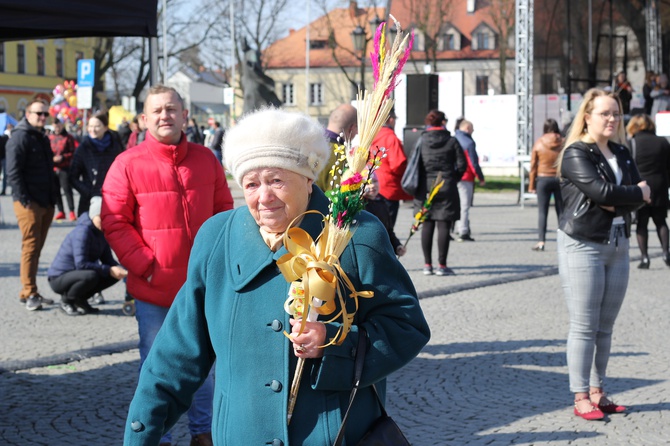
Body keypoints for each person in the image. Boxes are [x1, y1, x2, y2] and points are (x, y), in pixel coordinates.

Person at [122, 107, 429, 445]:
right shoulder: (216, 239)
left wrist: (332, 341)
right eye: (251, 184)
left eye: (276, 180)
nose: (263, 197)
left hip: (334, 436)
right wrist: (141, 435)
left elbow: (406, 327)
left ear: (308, 179)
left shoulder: (355, 233)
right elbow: (176, 355)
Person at [103, 85, 234, 446]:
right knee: (158, 370)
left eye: (172, 109)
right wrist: (147, 265)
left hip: (203, 287)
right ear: (144, 119)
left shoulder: (206, 159)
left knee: (205, 367)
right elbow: (114, 221)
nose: (165, 115)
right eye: (157, 110)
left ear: (184, 115)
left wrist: (218, 264)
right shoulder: (127, 164)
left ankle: (203, 434)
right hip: (154, 289)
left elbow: (225, 213)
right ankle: (156, 436)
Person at [556, 88, 650, 420]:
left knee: (605, 326)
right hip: (583, 242)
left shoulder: (623, 152)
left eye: (616, 113)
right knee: (584, 325)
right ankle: (580, 395)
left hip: (618, 242)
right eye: (604, 113)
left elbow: (639, 194)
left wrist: (622, 197)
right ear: (587, 116)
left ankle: (598, 391)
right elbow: (601, 192)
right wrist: (628, 195)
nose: (611, 119)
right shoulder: (576, 153)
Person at [6, 99, 58, 310]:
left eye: (46, 114)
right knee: (30, 247)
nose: (43, 117)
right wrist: (24, 200)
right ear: (27, 114)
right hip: (29, 203)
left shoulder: (41, 137)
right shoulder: (20, 137)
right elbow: (13, 172)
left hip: (45, 201)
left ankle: (31, 290)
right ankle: (29, 291)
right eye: (39, 114)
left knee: (36, 248)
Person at [47, 196, 127, 315]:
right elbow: (81, 264)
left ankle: (80, 299)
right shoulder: (83, 232)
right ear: (93, 215)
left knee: (113, 275)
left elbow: (108, 260)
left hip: (80, 273)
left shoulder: (101, 232)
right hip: (59, 277)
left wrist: (123, 270)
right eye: (101, 217)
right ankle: (67, 301)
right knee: (92, 275)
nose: (104, 221)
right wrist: (109, 269)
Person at [413, 110, 466, 276]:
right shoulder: (452, 141)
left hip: (425, 187)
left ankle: (427, 264)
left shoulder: (422, 140)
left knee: (427, 223)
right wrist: (453, 178)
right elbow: (462, 164)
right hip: (446, 184)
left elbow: (415, 163)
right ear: (443, 122)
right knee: (444, 224)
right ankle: (442, 265)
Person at [626, 114, 670, 268]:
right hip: (660, 185)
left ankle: (645, 258)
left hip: (641, 186)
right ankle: (666, 252)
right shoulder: (663, 142)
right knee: (661, 221)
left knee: (642, 224)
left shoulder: (632, 143)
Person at [69, 112, 124, 216]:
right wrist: (89, 192)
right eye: (90, 126)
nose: (93, 130)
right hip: (89, 202)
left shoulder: (115, 146)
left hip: (113, 199)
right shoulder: (83, 148)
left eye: (97, 126)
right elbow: (73, 177)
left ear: (106, 127)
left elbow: (123, 171)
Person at [370, 108, 412, 229]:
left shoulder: (371, 137)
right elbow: (397, 165)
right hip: (389, 188)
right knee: (387, 228)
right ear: (391, 120)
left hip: (371, 187)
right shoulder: (391, 138)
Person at [528, 118, 564, 251]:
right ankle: (563, 240)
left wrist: (531, 185)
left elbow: (533, 166)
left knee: (542, 212)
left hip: (543, 179)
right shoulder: (563, 142)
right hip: (559, 179)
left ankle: (541, 241)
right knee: (561, 211)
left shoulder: (539, 142)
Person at [454, 119, 485, 242]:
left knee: (457, 204)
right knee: (465, 205)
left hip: (454, 177)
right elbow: (473, 163)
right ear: (466, 128)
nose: (473, 130)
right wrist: (480, 177)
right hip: (465, 177)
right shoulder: (469, 142)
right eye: (472, 128)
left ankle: (457, 227)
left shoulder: (454, 138)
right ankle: (463, 231)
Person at [316, 104, 358, 191]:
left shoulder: (310, 143)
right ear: (351, 127)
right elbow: (336, 195)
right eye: (357, 128)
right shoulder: (341, 154)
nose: (357, 133)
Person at [364, 173, 406, 256]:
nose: (372, 186)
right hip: (368, 251)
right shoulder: (360, 205)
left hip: (382, 251)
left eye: (375, 181)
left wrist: (397, 246)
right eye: (368, 183)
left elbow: (388, 231)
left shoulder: (382, 202)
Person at [49, 118, 77, 221]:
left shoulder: (68, 137)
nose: (57, 128)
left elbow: (72, 152)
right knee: (56, 191)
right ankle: (61, 211)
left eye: (58, 126)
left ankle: (72, 211)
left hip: (64, 168)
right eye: (55, 126)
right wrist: (52, 158)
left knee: (67, 190)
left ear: (62, 125)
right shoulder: (50, 137)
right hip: (53, 167)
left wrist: (63, 157)